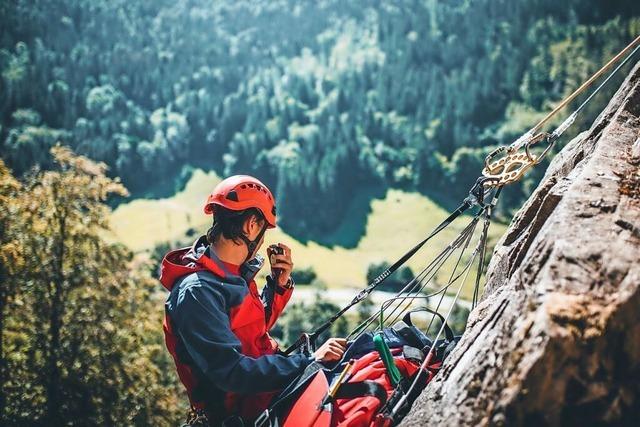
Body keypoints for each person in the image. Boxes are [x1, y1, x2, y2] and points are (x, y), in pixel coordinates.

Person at [160, 175, 346, 425]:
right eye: (263, 229)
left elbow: (251, 328)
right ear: (251, 225)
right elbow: (232, 372)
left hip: (265, 396)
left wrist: (277, 287)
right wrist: (308, 363)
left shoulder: (231, 273)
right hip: (246, 414)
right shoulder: (198, 292)